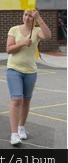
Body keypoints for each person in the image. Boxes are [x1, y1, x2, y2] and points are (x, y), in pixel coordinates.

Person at [6, 9, 51, 145]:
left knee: (26, 100)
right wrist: (22, 43)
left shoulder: (37, 31)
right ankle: (14, 134)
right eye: (25, 15)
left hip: (31, 71)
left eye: (30, 16)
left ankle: (21, 128)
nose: (27, 18)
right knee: (16, 99)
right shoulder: (14, 29)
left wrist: (39, 19)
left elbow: (48, 35)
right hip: (14, 69)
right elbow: (9, 49)